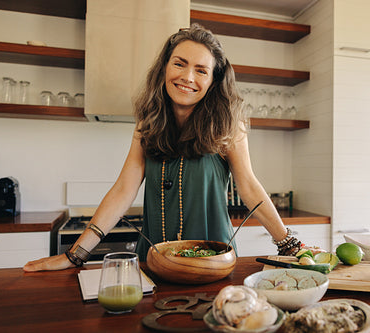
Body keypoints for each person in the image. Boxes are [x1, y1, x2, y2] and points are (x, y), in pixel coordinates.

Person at [24, 24, 305, 272]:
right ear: (165, 68)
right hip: (155, 261)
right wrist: (76, 255)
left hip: (212, 263)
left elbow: (249, 187)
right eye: (179, 63)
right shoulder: (147, 123)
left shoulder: (228, 125)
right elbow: (124, 189)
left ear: (212, 80)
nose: (188, 77)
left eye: (201, 70)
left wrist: (289, 245)